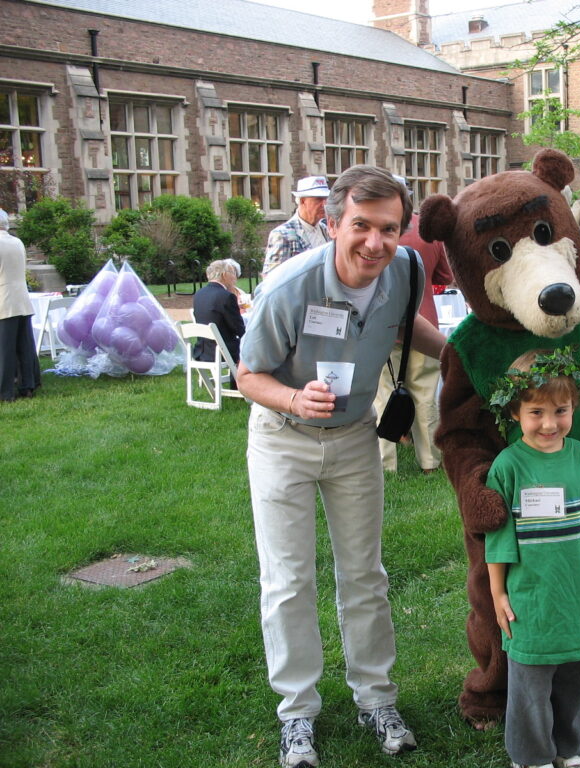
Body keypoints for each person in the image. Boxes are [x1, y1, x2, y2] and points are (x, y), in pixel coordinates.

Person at [237, 166, 446, 768]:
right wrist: (293, 398)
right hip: (283, 438)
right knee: (288, 581)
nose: (374, 243)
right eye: (361, 226)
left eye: (389, 228)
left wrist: (456, 353)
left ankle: (376, 697)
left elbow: (410, 327)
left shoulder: (403, 270)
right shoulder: (289, 287)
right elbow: (247, 375)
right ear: (332, 225)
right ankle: (297, 714)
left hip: (356, 437)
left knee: (365, 574)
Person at [485, 348, 580, 768]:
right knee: (530, 685)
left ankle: (568, 748)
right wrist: (497, 594)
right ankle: (532, 756)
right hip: (530, 600)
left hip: (575, 596)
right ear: (514, 412)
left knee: (575, 680)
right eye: (536, 412)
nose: (549, 423)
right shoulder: (508, 467)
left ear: (574, 406)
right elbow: (499, 540)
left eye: (560, 410)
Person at [372, 177, 453, 474]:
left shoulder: (374, 233)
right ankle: (430, 460)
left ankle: (385, 463)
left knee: (383, 392)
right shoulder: (426, 231)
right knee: (425, 394)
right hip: (426, 321)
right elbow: (444, 276)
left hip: (382, 324)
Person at [0, 209, 41, 402]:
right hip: (21, 298)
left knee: (5, 348)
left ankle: (5, 391)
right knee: (24, 345)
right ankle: (28, 385)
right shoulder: (17, 242)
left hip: (4, 300)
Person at [261, 175, 331, 278]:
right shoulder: (282, 234)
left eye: (326, 199)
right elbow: (271, 279)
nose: (324, 204)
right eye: (318, 199)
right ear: (303, 201)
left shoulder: (326, 230)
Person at [192, 259, 246, 367]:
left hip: (202, 350)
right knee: (254, 343)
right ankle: (240, 382)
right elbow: (239, 329)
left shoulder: (199, 294)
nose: (235, 278)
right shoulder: (226, 296)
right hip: (222, 352)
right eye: (233, 274)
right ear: (225, 275)